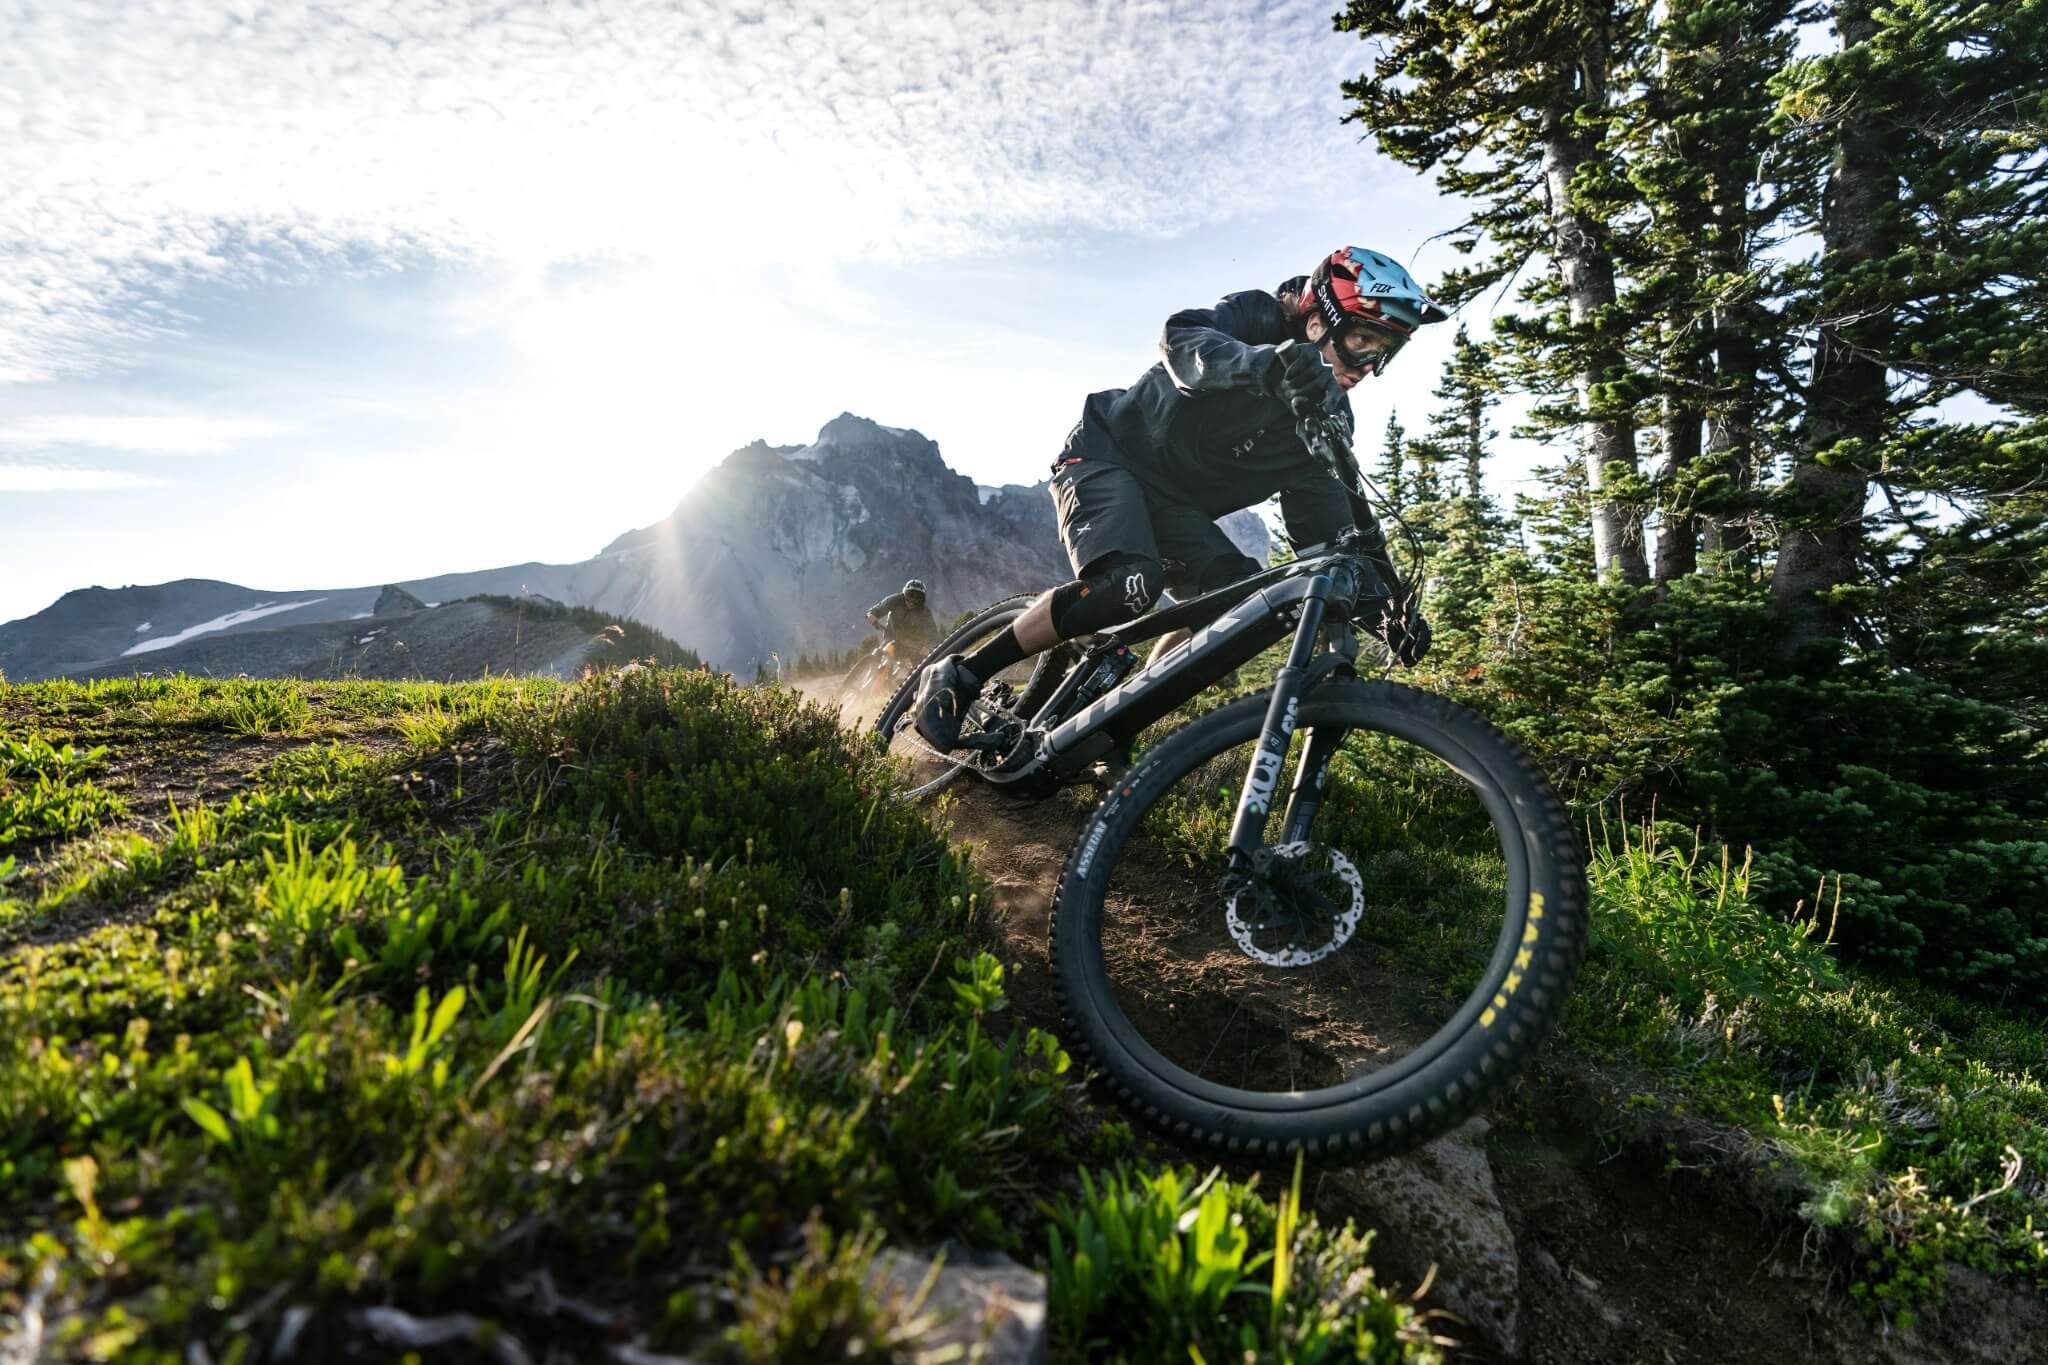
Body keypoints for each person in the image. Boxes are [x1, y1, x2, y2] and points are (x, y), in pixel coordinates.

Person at [912, 246, 1442, 750]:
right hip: (1107, 458)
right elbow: (1184, 341)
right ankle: (962, 673)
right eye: (1365, 343)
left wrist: (1383, 607)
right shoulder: (1255, 318)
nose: (1369, 366)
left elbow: (1327, 530)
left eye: (1385, 353)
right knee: (1129, 587)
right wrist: (1267, 365)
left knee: (1240, 607)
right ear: (1319, 320)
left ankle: (1115, 719)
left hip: (1176, 510)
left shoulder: (1324, 416)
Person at [865, 578, 940, 657]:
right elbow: (878, 608)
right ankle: (871, 662)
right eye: (910, 595)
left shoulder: (925, 612)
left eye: (918, 597)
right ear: (905, 593)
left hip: (912, 645)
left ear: (922, 600)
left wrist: (929, 647)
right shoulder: (895, 600)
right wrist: (871, 615)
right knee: (879, 654)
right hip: (891, 636)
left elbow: (933, 633)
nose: (912, 600)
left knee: (917, 665)